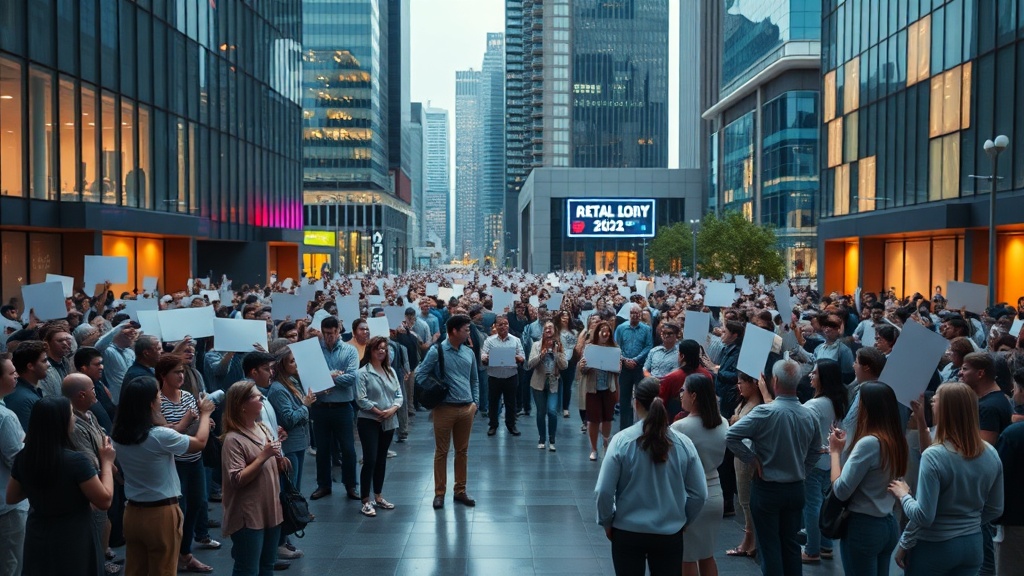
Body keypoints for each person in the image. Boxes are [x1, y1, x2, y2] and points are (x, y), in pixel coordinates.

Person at [595, 377, 707, 576]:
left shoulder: (621, 442)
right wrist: (683, 520)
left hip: (627, 532)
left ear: (636, 403)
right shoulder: (683, 444)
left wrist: (607, 521)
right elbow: (699, 494)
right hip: (669, 533)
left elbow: (603, 491)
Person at [888, 382, 1004, 576]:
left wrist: (903, 495)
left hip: (935, 546)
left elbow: (924, 516)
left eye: (935, 400)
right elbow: (995, 508)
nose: (932, 402)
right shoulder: (990, 453)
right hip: (973, 546)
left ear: (945, 410)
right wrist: (968, 523)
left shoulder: (934, 455)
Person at [725, 359, 821, 576]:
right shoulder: (809, 415)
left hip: (768, 487)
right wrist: (803, 470)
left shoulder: (764, 413)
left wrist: (752, 459)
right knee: (791, 545)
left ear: (774, 381)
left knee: (769, 547)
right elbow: (816, 450)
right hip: (796, 488)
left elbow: (731, 436)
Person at [112, 376, 214, 576]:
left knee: (135, 569)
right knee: (163, 569)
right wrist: (205, 413)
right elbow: (200, 441)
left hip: (132, 512)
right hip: (161, 513)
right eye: (158, 395)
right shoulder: (159, 436)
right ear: (151, 403)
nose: (161, 398)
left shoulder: (119, 434)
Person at [6, 396, 115, 576]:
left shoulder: (25, 457)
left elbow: (12, 496)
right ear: (61, 422)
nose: (73, 418)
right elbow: (105, 500)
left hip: (38, 533)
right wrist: (107, 463)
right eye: (71, 414)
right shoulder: (76, 461)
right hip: (73, 535)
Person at [827, 382, 907, 575]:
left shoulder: (869, 443)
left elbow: (840, 490)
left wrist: (835, 453)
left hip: (864, 525)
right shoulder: (896, 440)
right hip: (887, 522)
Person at [156, 354, 216, 572]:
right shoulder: (158, 401)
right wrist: (192, 423)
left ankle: (185, 552)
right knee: (178, 509)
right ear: (163, 375)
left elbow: (188, 428)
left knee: (197, 503)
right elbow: (165, 432)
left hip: (194, 459)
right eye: (176, 372)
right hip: (175, 462)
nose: (181, 376)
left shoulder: (189, 397)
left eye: (182, 371)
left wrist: (204, 423)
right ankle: (176, 554)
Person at [220, 380, 285, 576]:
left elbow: (272, 466)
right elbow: (237, 479)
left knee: (267, 566)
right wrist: (264, 455)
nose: (262, 399)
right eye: (257, 397)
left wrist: (280, 460)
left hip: (271, 510)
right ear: (242, 405)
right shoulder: (233, 440)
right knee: (247, 569)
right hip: (247, 515)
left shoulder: (263, 428)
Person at [415, 314, 479, 510]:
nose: (469, 332)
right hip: (444, 408)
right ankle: (439, 493)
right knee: (441, 451)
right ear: (454, 331)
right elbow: (420, 374)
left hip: (466, 408)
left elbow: (474, 380)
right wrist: (436, 388)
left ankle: (460, 490)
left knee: (462, 451)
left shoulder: (469, 352)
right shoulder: (438, 351)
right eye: (466, 329)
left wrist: (475, 403)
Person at [671, 373, 728, 576]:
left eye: (683, 390)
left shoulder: (679, 427)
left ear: (693, 395)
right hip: (715, 494)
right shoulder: (723, 423)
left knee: (687, 557)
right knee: (707, 554)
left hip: (690, 497)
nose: (681, 394)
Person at [800, 359, 849, 563]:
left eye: (815, 373)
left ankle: (812, 549)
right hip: (830, 459)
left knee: (812, 505)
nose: (810, 376)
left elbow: (802, 430)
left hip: (814, 460)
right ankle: (825, 545)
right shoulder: (837, 401)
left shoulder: (814, 405)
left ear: (824, 379)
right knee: (821, 503)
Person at [310, 315, 359, 501]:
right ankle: (323, 485)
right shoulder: (315, 351)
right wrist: (334, 375)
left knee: (348, 448)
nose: (328, 337)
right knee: (322, 449)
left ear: (339, 332)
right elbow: (311, 376)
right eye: (325, 333)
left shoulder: (350, 350)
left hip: (342, 406)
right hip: (320, 405)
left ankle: (351, 485)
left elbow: (351, 378)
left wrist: (326, 377)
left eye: (331, 333)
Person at [355, 336, 403, 517]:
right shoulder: (363, 373)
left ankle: (379, 496)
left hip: (389, 419)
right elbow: (361, 398)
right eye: (378, 348)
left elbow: (399, 394)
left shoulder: (390, 371)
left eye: (384, 348)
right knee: (370, 459)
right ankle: (365, 500)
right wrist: (377, 411)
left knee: (382, 459)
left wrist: (392, 409)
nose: (382, 351)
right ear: (371, 351)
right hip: (369, 420)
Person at [725, 371, 766, 559]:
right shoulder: (745, 403)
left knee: (746, 501)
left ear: (754, 383)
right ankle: (751, 538)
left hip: (748, 457)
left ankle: (751, 540)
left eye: (742, 382)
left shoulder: (758, 407)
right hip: (740, 456)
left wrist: (736, 422)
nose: (738, 386)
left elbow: (737, 427)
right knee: (743, 500)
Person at [0, 353, 28, 575]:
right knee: (13, 565)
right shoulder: (6, 417)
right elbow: (18, 461)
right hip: (9, 506)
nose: (16, 375)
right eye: (11, 373)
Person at [995, 368, 1024, 574]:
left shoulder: (1013, 435)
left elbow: (998, 479)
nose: (1013, 392)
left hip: (1015, 523)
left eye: (1015, 388)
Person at [578, 321, 620, 462]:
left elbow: (618, 371)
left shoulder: (615, 348)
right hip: (593, 388)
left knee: (608, 417)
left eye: (607, 330)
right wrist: (584, 366)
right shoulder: (590, 348)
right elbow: (582, 370)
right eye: (602, 330)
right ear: (597, 332)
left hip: (609, 387)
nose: (605, 333)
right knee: (593, 419)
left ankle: (606, 441)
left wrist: (617, 366)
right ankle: (594, 448)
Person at [481, 316, 526, 437]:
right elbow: (483, 355)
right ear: (495, 326)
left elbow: (522, 356)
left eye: (505, 324)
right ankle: (493, 425)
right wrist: (487, 358)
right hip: (494, 376)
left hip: (510, 376)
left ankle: (511, 425)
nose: (503, 327)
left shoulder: (515, 340)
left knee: (511, 402)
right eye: (500, 324)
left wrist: (516, 357)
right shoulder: (489, 341)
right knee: (493, 402)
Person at [527, 320, 568, 451]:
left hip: (553, 384)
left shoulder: (560, 346)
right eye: (546, 328)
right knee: (541, 412)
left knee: (552, 412)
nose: (548, 330)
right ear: (543, 332)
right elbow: (530, 364)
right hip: (538, 383)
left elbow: (564, 365)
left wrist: (555, 354)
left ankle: (552, 439)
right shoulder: (536, 345)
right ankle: (541, 438)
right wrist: (541, 355)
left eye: (551, 328)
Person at [614, 304, 653, 430]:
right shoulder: (621, 328)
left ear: (640, 315)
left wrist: (636, 360)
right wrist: (625, 359)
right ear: (629, 314)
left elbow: (648, 346)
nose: (635, 316)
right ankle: (625, 427)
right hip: (624, 367)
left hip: (639, 366)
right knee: (624, 399)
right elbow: (616, 345)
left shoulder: (646, 329)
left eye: (637, 313)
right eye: (632, 313)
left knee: (641, 396)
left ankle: (641, 427)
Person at [658, 339, 714, 421]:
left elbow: (661, 403)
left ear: (682, 356)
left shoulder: (671, 377)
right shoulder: (707, 375)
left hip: (675, 421)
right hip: (703, 420)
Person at [6, 340, 49, 431]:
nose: (48, 365)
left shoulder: (30, 391)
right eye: (44, 361)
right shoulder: (22, 399)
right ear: (30, 366)